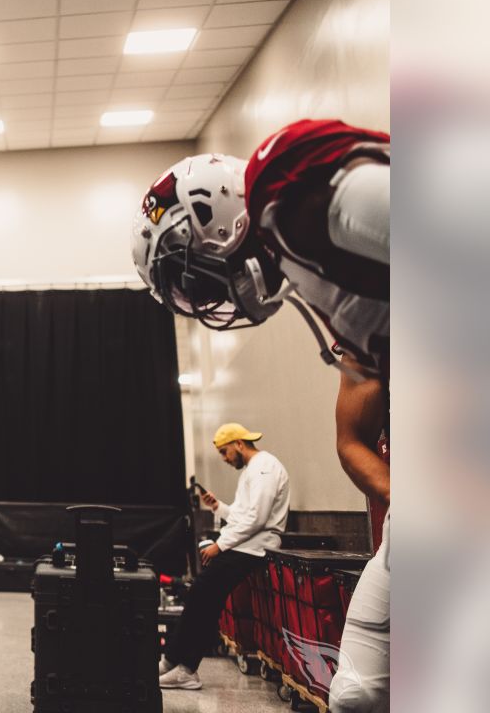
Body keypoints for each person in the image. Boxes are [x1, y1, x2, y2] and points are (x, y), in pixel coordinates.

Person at [131, 129, 391, 710]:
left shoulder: (297, 203)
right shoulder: (321, 291)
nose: (201, 294)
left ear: (218, 219)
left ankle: (183, 665)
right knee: (355, 693)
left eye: (192, 272)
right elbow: (352, 436)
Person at [159, 423, 290, 690]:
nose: (224, 458)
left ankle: (184, 667)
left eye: (224, 452)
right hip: (246, 545)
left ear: (239, 444)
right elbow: (245, 516)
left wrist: (220, 546)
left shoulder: (264, 468)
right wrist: (219, 507)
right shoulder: (253, 471)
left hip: (254, 548)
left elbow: (257, 518)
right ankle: (174, 661)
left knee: (202, 596)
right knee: (201, 596)